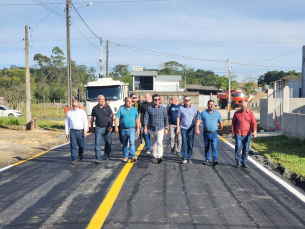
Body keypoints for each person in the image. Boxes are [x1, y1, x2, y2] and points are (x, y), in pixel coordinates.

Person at [196, 100, 223, 166]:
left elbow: (220, 122)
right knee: (207, 146)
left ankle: (215, 160)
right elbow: (198, 120)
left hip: (214, 133)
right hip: (206, 133)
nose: (211, 106)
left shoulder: (217, 113)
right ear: (208, 105)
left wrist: (221, 130)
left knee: (214, 146)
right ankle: (207, 159)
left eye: (212, 104)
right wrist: (197, 129)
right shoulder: (203, 113)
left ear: (214, 105)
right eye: (210, 104)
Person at [231, 101, 257, 168]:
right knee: (238, 147)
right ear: (240, 106)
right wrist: (233, 132)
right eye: (242, 107)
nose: (243, 108)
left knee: (246, 149)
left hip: (247, 134)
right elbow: (233, 123)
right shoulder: (236, 113)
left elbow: (254, 122)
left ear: (247, 106)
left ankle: (244, 162)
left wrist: (254, 131)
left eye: (244, 107)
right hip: (238, 133)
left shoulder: (250, 113)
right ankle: (238, 161)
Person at [144, 94, 168, 163]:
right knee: (153, 143)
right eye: (155, 100)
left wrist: (166, 128)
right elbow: (146, 118)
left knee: (159, 142)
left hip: (160, 128)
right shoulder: (149, 108)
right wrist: (145, 127)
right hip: (152, 128)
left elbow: (166, 118)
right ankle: (155, 155)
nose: (157, 101)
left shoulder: (163, 108)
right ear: (153, 100)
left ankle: (159, 156)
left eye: (158, 99)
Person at [115, 97, 140, 162]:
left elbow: (137, 119)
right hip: (123, 129)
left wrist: (138, 129)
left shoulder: (134, 109)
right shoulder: (121, 109)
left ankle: (132, 156)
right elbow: (117, 118)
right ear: (125, 102)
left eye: (131, 101)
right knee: (125, 143)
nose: (130, 102)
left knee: (132, 143)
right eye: (128, 101)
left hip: (132, 129)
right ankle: (125, 156)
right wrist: (116, 126)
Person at [91, 95, 113, 163]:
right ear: (98, 100)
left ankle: (106, 154)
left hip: (107, 128)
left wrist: (111, 125)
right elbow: (92, 118)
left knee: (109, 142)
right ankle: (98, 158)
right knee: (97, 143)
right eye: (101, 99)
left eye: (103, 99)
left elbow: (111, 116)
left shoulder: (108, 107)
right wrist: (91, 127)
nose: (103, 101)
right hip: (98, 128)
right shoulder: (95, 108)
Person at [65, 100, 88, 165]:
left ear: (78, 106)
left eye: (76, 106)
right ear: (72, 106)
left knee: (81, 146)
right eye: (73, 106)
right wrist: (66, 132)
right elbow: (67, 123)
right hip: (73, 131)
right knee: (73, 145)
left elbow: (85, 121)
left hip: (81, 131)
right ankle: (74, 159)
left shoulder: (82, 112)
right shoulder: (69, 113)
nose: (75, 107)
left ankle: (80, 154)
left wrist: (85, 131)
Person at [176, 96, 198, 164]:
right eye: (186, 100)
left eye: (189, 100)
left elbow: (196, 117)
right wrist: (178, 128)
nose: (187, 101)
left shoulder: (194, 107)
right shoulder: (181, 108)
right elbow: (178, 118)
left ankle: (189, 157)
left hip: (191, 128)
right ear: (184, 101)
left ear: (190, 100)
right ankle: (184, 157)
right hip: (183, 128)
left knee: (190, 143)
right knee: (184, 142)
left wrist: (197, 128)